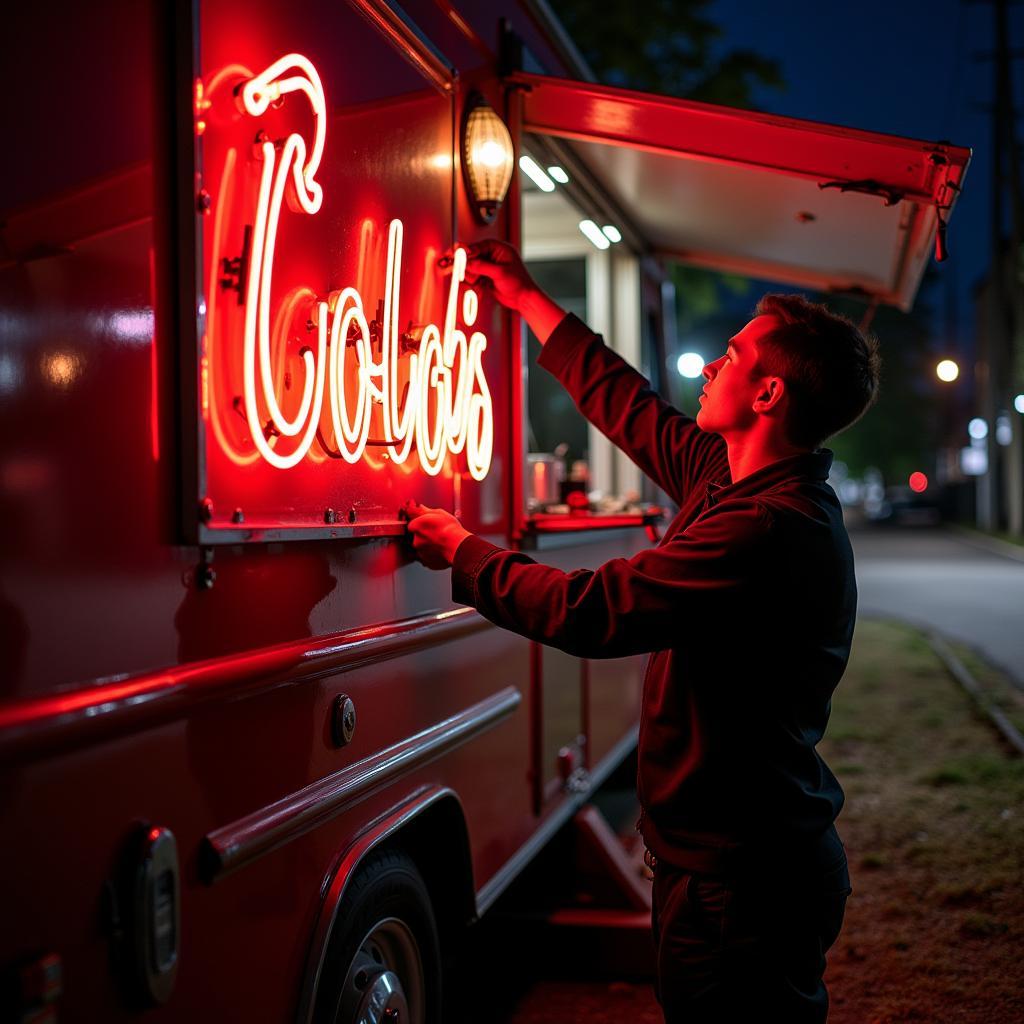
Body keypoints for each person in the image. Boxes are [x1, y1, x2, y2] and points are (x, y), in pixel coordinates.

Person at [403, 239, 880, 1023]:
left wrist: (461, 551)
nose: (708, 370)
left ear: (766, 395)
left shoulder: (764, 528)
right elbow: (631, 408)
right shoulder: (735, 483)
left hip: (742, 886)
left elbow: (589, 611)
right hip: (745, 867)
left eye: (728, 358)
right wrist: (525, 297)